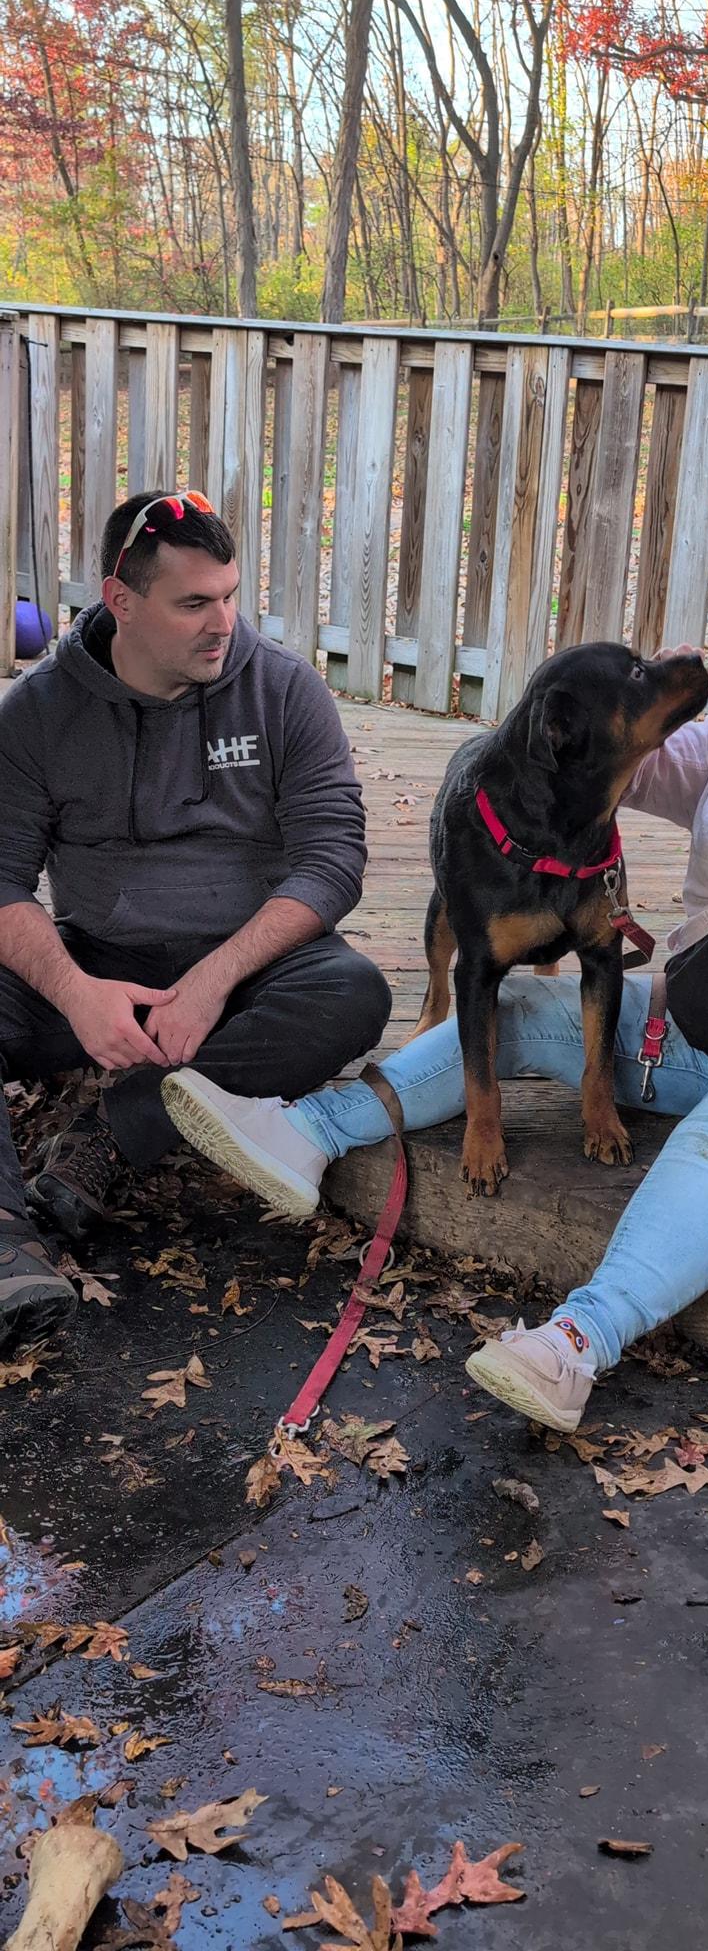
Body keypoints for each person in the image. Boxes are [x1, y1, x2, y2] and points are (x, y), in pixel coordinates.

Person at [160, 590, 708, 1434]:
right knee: (507, 999)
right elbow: (599, 746)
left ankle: (578, 1342)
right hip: (685, 1041)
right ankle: (307, 1132)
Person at [0, 489, 391, 1353]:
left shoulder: (285, 690)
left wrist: (213, 982)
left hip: (246, 976)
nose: (222, 622)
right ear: (120, 601)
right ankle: (8, 1246)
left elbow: (333, 857)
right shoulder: (36, 714)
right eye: (193, 603)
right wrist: (73, 992)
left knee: (353, 991)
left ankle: (113, 1132)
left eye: (230, 595)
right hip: (98, 966)